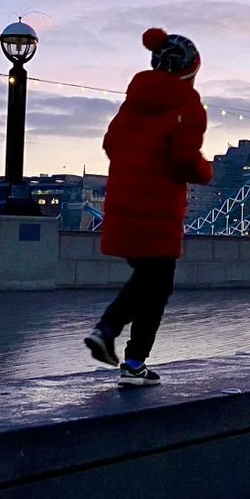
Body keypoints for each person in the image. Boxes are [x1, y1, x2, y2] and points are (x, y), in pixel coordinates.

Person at [85, 28, 213, 386]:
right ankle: (121, 346)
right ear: (191, 69)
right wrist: (205, 171)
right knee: (157, 284)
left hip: (122, 200)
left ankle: (123, 350)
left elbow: (110, 143)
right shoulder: (188, 105)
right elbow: (184, 158)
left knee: (150, 281)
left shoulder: (134, 101)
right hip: (158, 208)